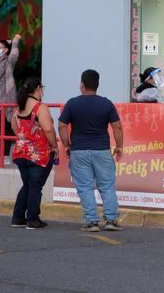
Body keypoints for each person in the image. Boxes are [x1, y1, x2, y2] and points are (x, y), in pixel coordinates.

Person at [58, 70, 124, 232]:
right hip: (102, 150)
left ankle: (91, 221)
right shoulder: (106, 104)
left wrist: (67, 145)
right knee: (107, 186)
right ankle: (111, 220)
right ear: (97, 85)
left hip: (79, 150)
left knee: (85, 187)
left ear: (82, 85)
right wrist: (119, 145)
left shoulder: (72, 103)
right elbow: (117, 127)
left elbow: (61, 125)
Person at [10, 77, 59, 229]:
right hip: (39, 154)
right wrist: (55, 147)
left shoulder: (19, 108)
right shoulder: (40, 107)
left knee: (28, 185)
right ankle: (32, 219)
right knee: (35, 186)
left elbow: (14, 126)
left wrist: (25, 138)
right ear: (38, 88)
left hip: (20, 152)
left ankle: (18, 218)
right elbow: (49, 129)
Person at [0, 34, 21, 160]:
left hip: (5, 99)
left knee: (5, 127)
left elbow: (14, 54)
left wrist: (14, 42)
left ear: (6, 50)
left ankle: (5, 156)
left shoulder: (9, 61)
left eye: (0, 48)